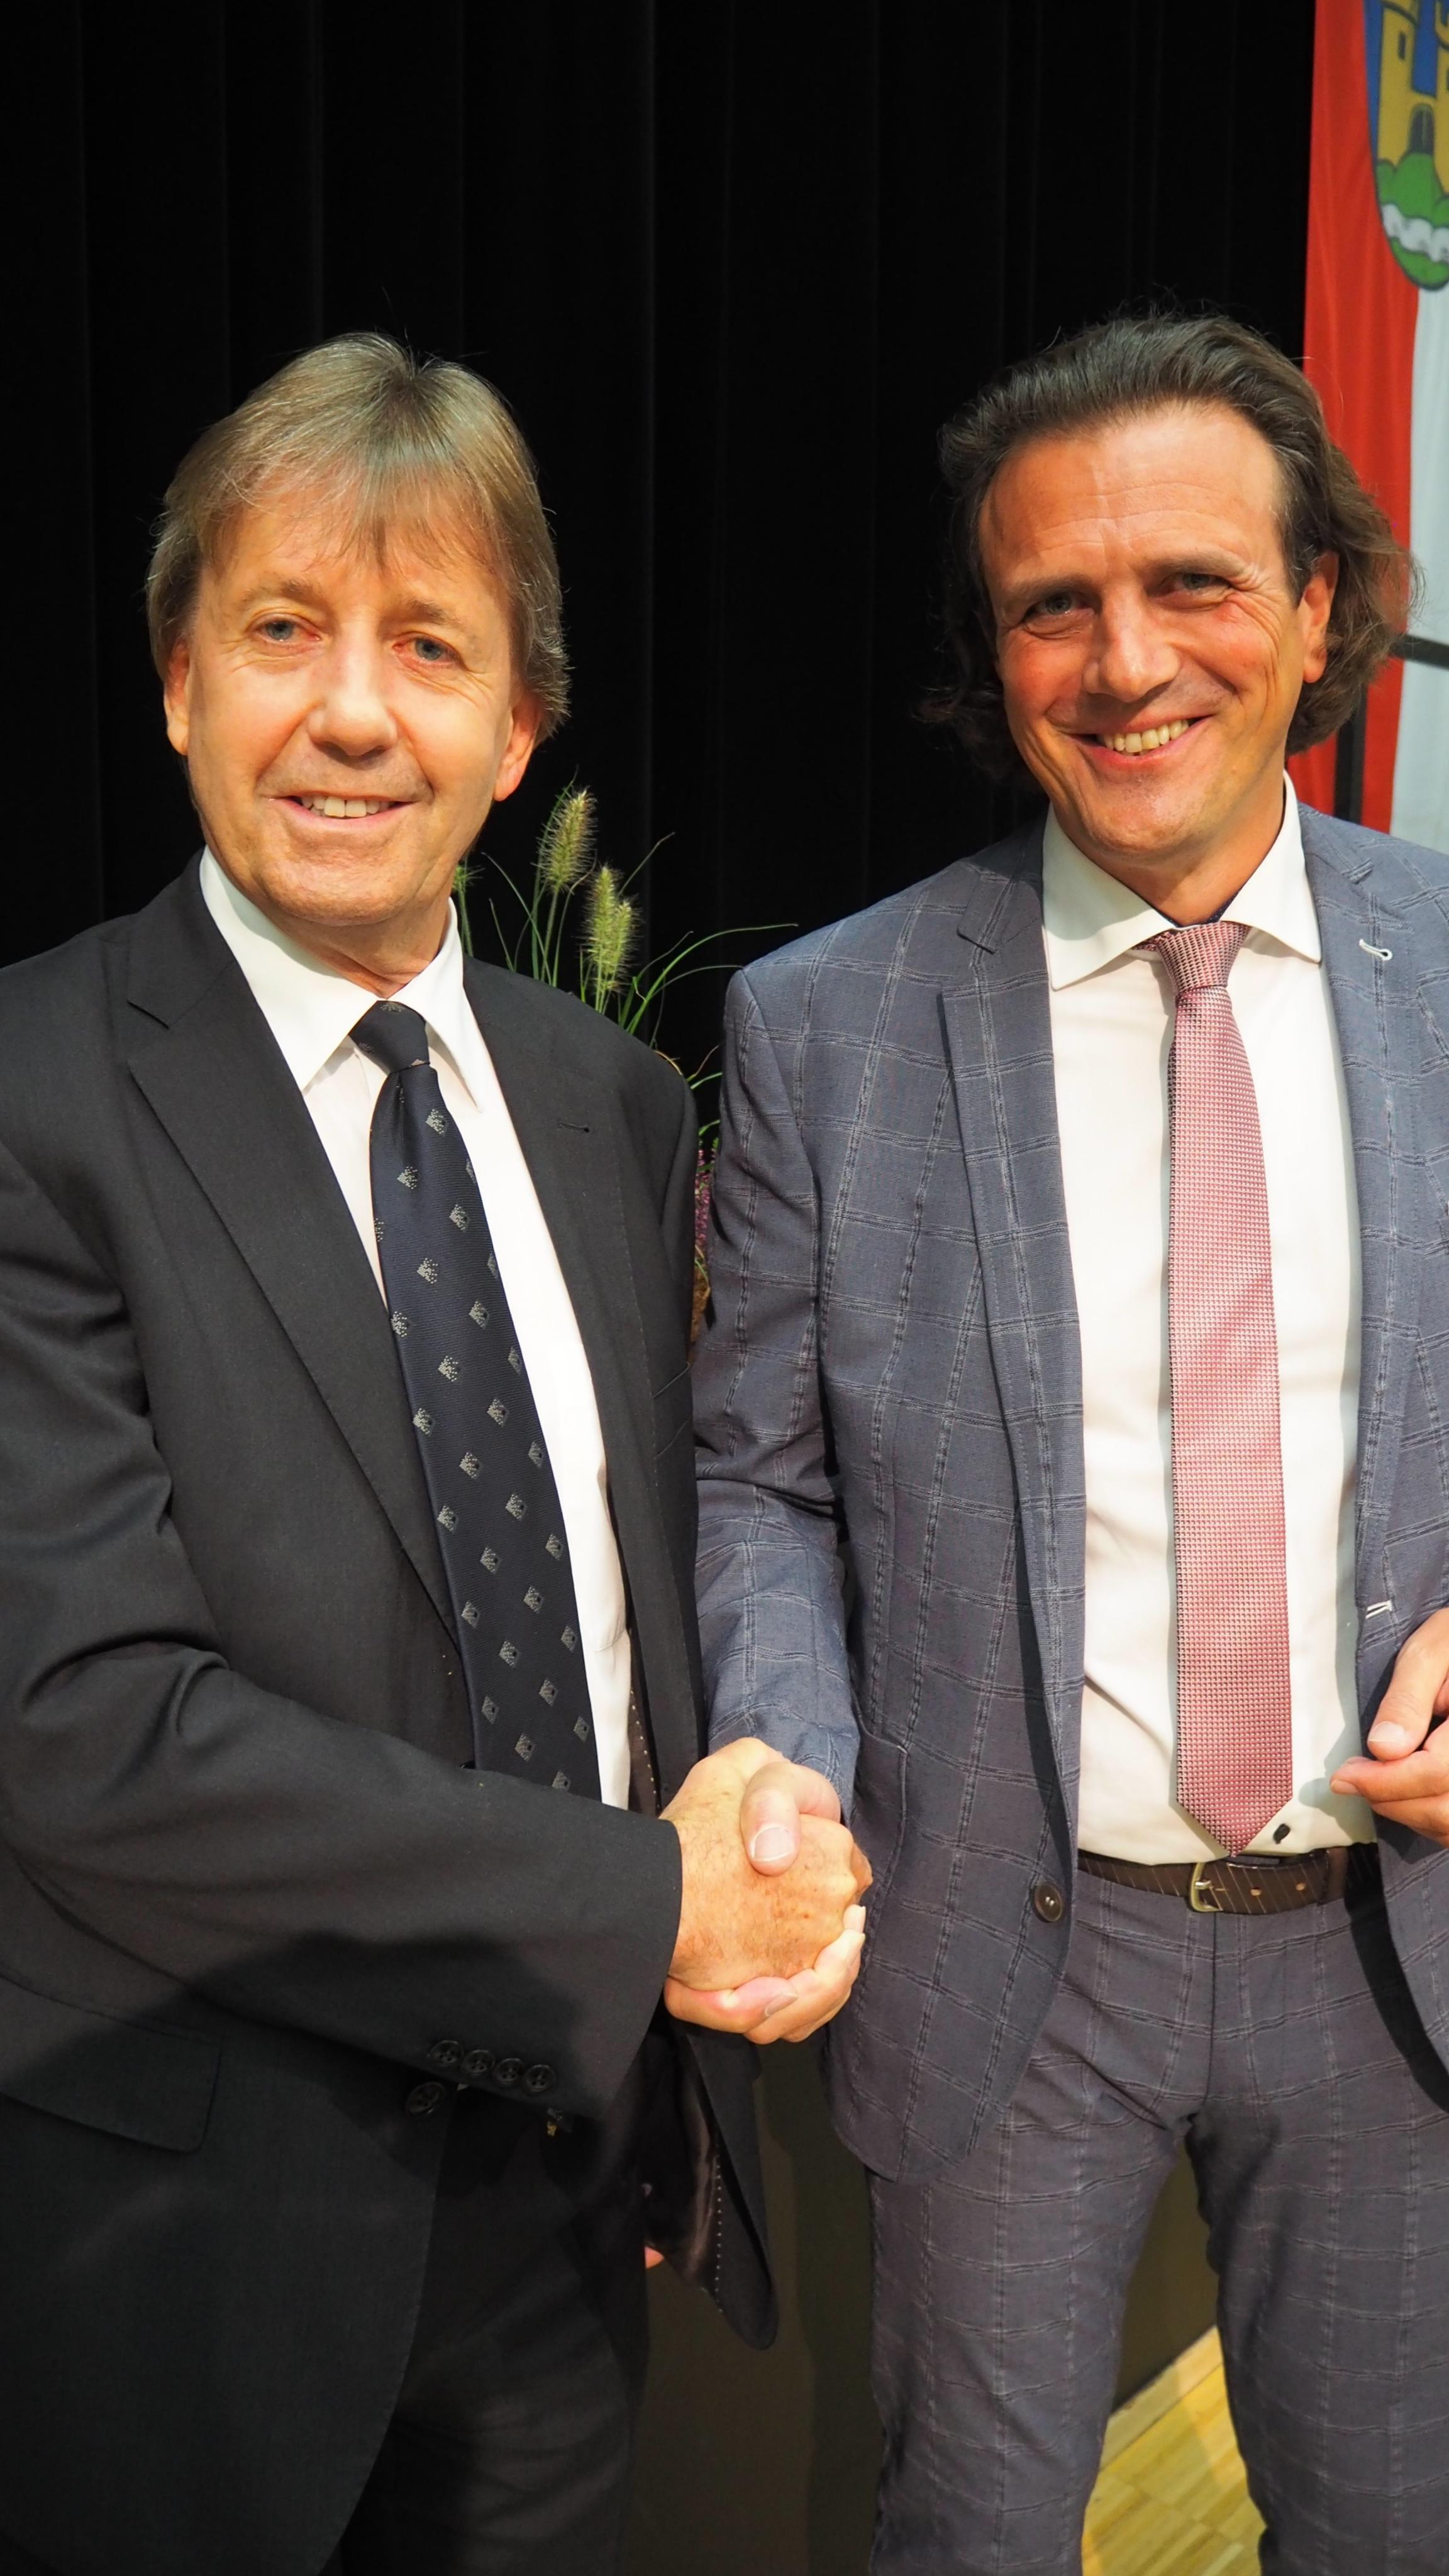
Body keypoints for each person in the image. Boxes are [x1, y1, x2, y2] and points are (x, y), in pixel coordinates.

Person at [0, 333, 870, 2576]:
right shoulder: (32, 1098)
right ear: (178, 680)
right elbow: (88, 1736)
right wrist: (647, 1909)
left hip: (569, 2215)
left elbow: (630, 1602)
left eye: (430, 648)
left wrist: (760, 1840)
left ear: (520, 733)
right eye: (284, 629)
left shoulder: (615, 1109)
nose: (352, 714)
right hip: (187, 2245)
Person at [694, 309, 1449, 2572]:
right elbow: (765, 1479)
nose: (1127, 663)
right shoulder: (828, 1027)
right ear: (992, 651)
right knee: (970, 2538)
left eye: (1193, 583)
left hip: (1397, 1953)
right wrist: (784, 1756)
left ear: (1318, 605)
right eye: (1055, 604)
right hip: (1006, 1962)